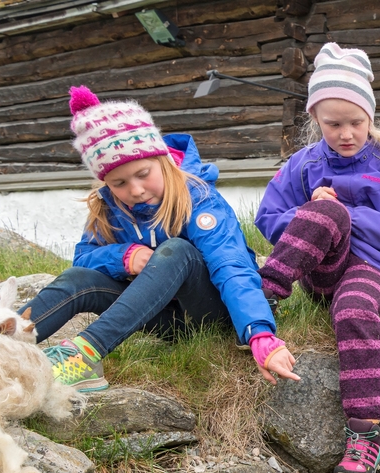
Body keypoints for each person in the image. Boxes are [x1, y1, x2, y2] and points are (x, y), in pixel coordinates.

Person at [24, 86, 297, 392]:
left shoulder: (200, 198)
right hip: (162, 320)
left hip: (211, 313)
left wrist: (259, 332)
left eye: (143, 173)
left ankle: (85, 355)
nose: (136, 190)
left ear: (163, 160)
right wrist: (124, 257)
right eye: (120, 183)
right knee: (76, 278)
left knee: (176, 251)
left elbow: (230, 265)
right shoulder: (109, 207)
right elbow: (84, 260)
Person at [255, 43, 380, 473]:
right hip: (322, 272)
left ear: (370, 116)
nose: (346, 133)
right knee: (324, 212)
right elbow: (268, 218)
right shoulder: (302, 164)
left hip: (375, 272)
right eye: (333, 124)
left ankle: (363, 436)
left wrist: (349, 213)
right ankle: (263, 298)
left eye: (356, 122)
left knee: (352, 310)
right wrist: (312, 213)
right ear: (315, 119)